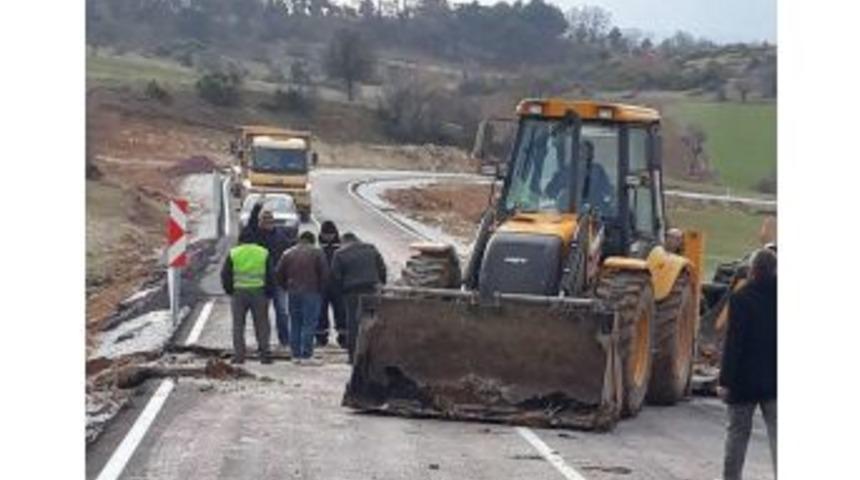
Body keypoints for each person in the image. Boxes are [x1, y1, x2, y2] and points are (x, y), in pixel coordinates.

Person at [718, 248, 777, 480]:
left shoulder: (740, 299)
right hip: (776, 381)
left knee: (737, 437)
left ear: (752, 271)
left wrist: (725, 380)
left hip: (743, 382)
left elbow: (734, 344)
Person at [220, 230, 275, 365]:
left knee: (238, 326)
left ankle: (239, 356)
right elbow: (270, 274)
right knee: (262, 325)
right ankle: (264, 355)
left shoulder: (234, 253)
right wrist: (269, 293)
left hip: (239, 293)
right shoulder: (263, 252)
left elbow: (225, 274)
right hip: (259, 292)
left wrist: (230, 290)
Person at [331, 232, 387, 362]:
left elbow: (336, 277)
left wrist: (340, 294)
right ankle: (372, 356)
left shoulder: (339, 254)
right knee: (372, 322)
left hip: (352, 293)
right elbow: (382, 269)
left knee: (354, 324)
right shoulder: (371, 248)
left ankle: (354, 357)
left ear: (343, 241)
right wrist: (381, 285)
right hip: (372, 289)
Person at [276, 231, 328, 364]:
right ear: (313, 240)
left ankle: (295, 355)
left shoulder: (287, 253)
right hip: (312, 292)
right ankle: (307, 355)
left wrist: (287, 287)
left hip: (293, 292)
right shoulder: (317, 253)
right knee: (309, 324)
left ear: (299, 240)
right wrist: (321, 291)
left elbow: (279, 274)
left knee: (295, 323)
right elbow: (324, 274)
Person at [258, 210, 297, 350]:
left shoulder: (280, 236)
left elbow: (288, 256)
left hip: (278, 280)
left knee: (282, 311)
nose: (267, 224)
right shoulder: (256, 237)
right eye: (264, 221)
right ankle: (264, 341)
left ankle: (285, 340)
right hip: (261, 279)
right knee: (262, 313)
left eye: (269, 221)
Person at [316, 220, 347, 347]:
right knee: (320, 313)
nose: (328, 237)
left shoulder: (341, 249)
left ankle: (343, 336)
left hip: (338, 286)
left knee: (341, 312)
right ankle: (321, 337)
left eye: (330, 234)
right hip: (322, 286)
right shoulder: (318, 249)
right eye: (325, 234)